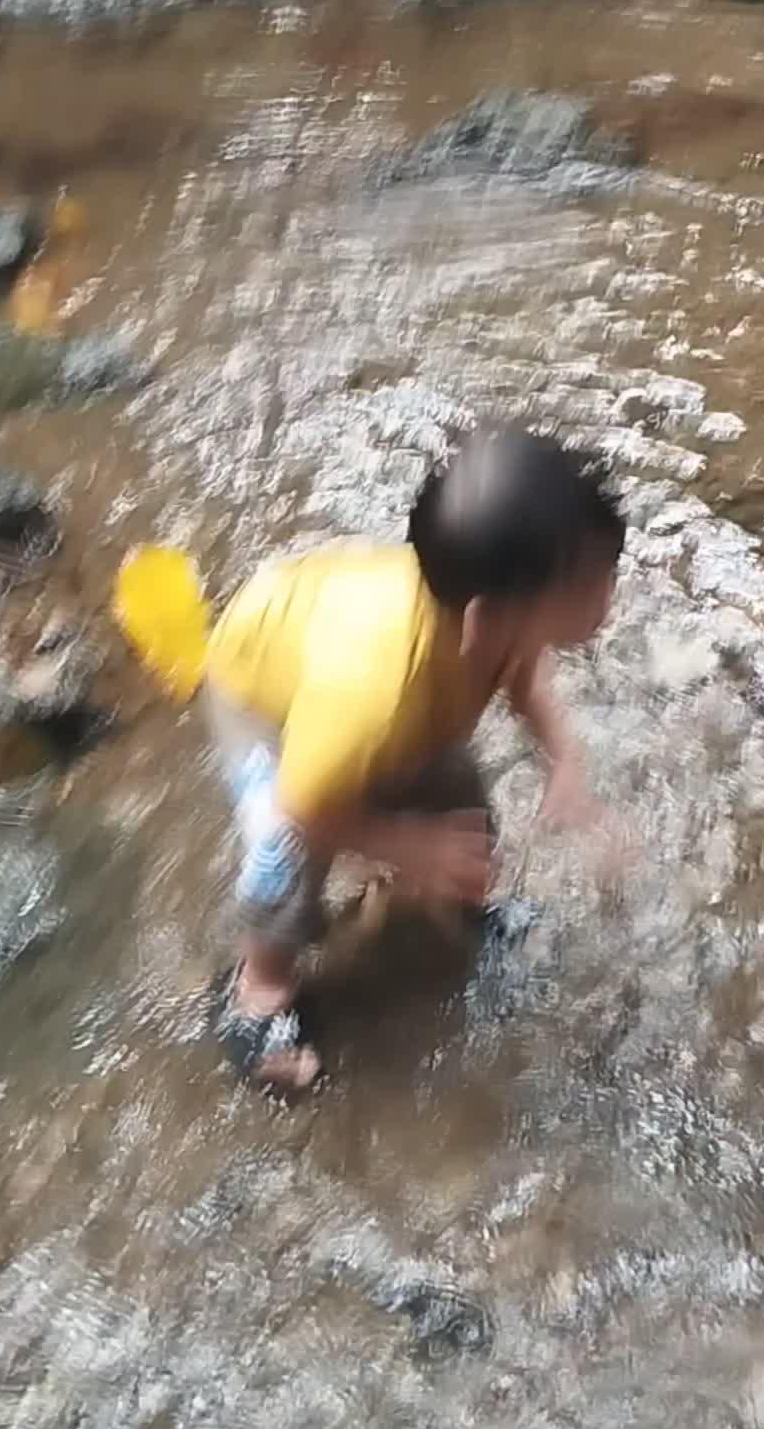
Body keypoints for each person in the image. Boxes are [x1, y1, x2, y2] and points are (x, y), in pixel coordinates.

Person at [204, 425, 625, 1090]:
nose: (607, 601)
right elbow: (303, 804)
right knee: (283, 862)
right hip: (262, 692)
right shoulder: (374, 688)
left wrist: (564, 760)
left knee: (459, 810)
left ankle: (455, 911)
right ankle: (257, 994)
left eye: (608, 574)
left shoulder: (487, 622)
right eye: (588, 590)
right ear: (487, 620)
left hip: (346, 664)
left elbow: (525, 675)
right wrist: (405, 843)